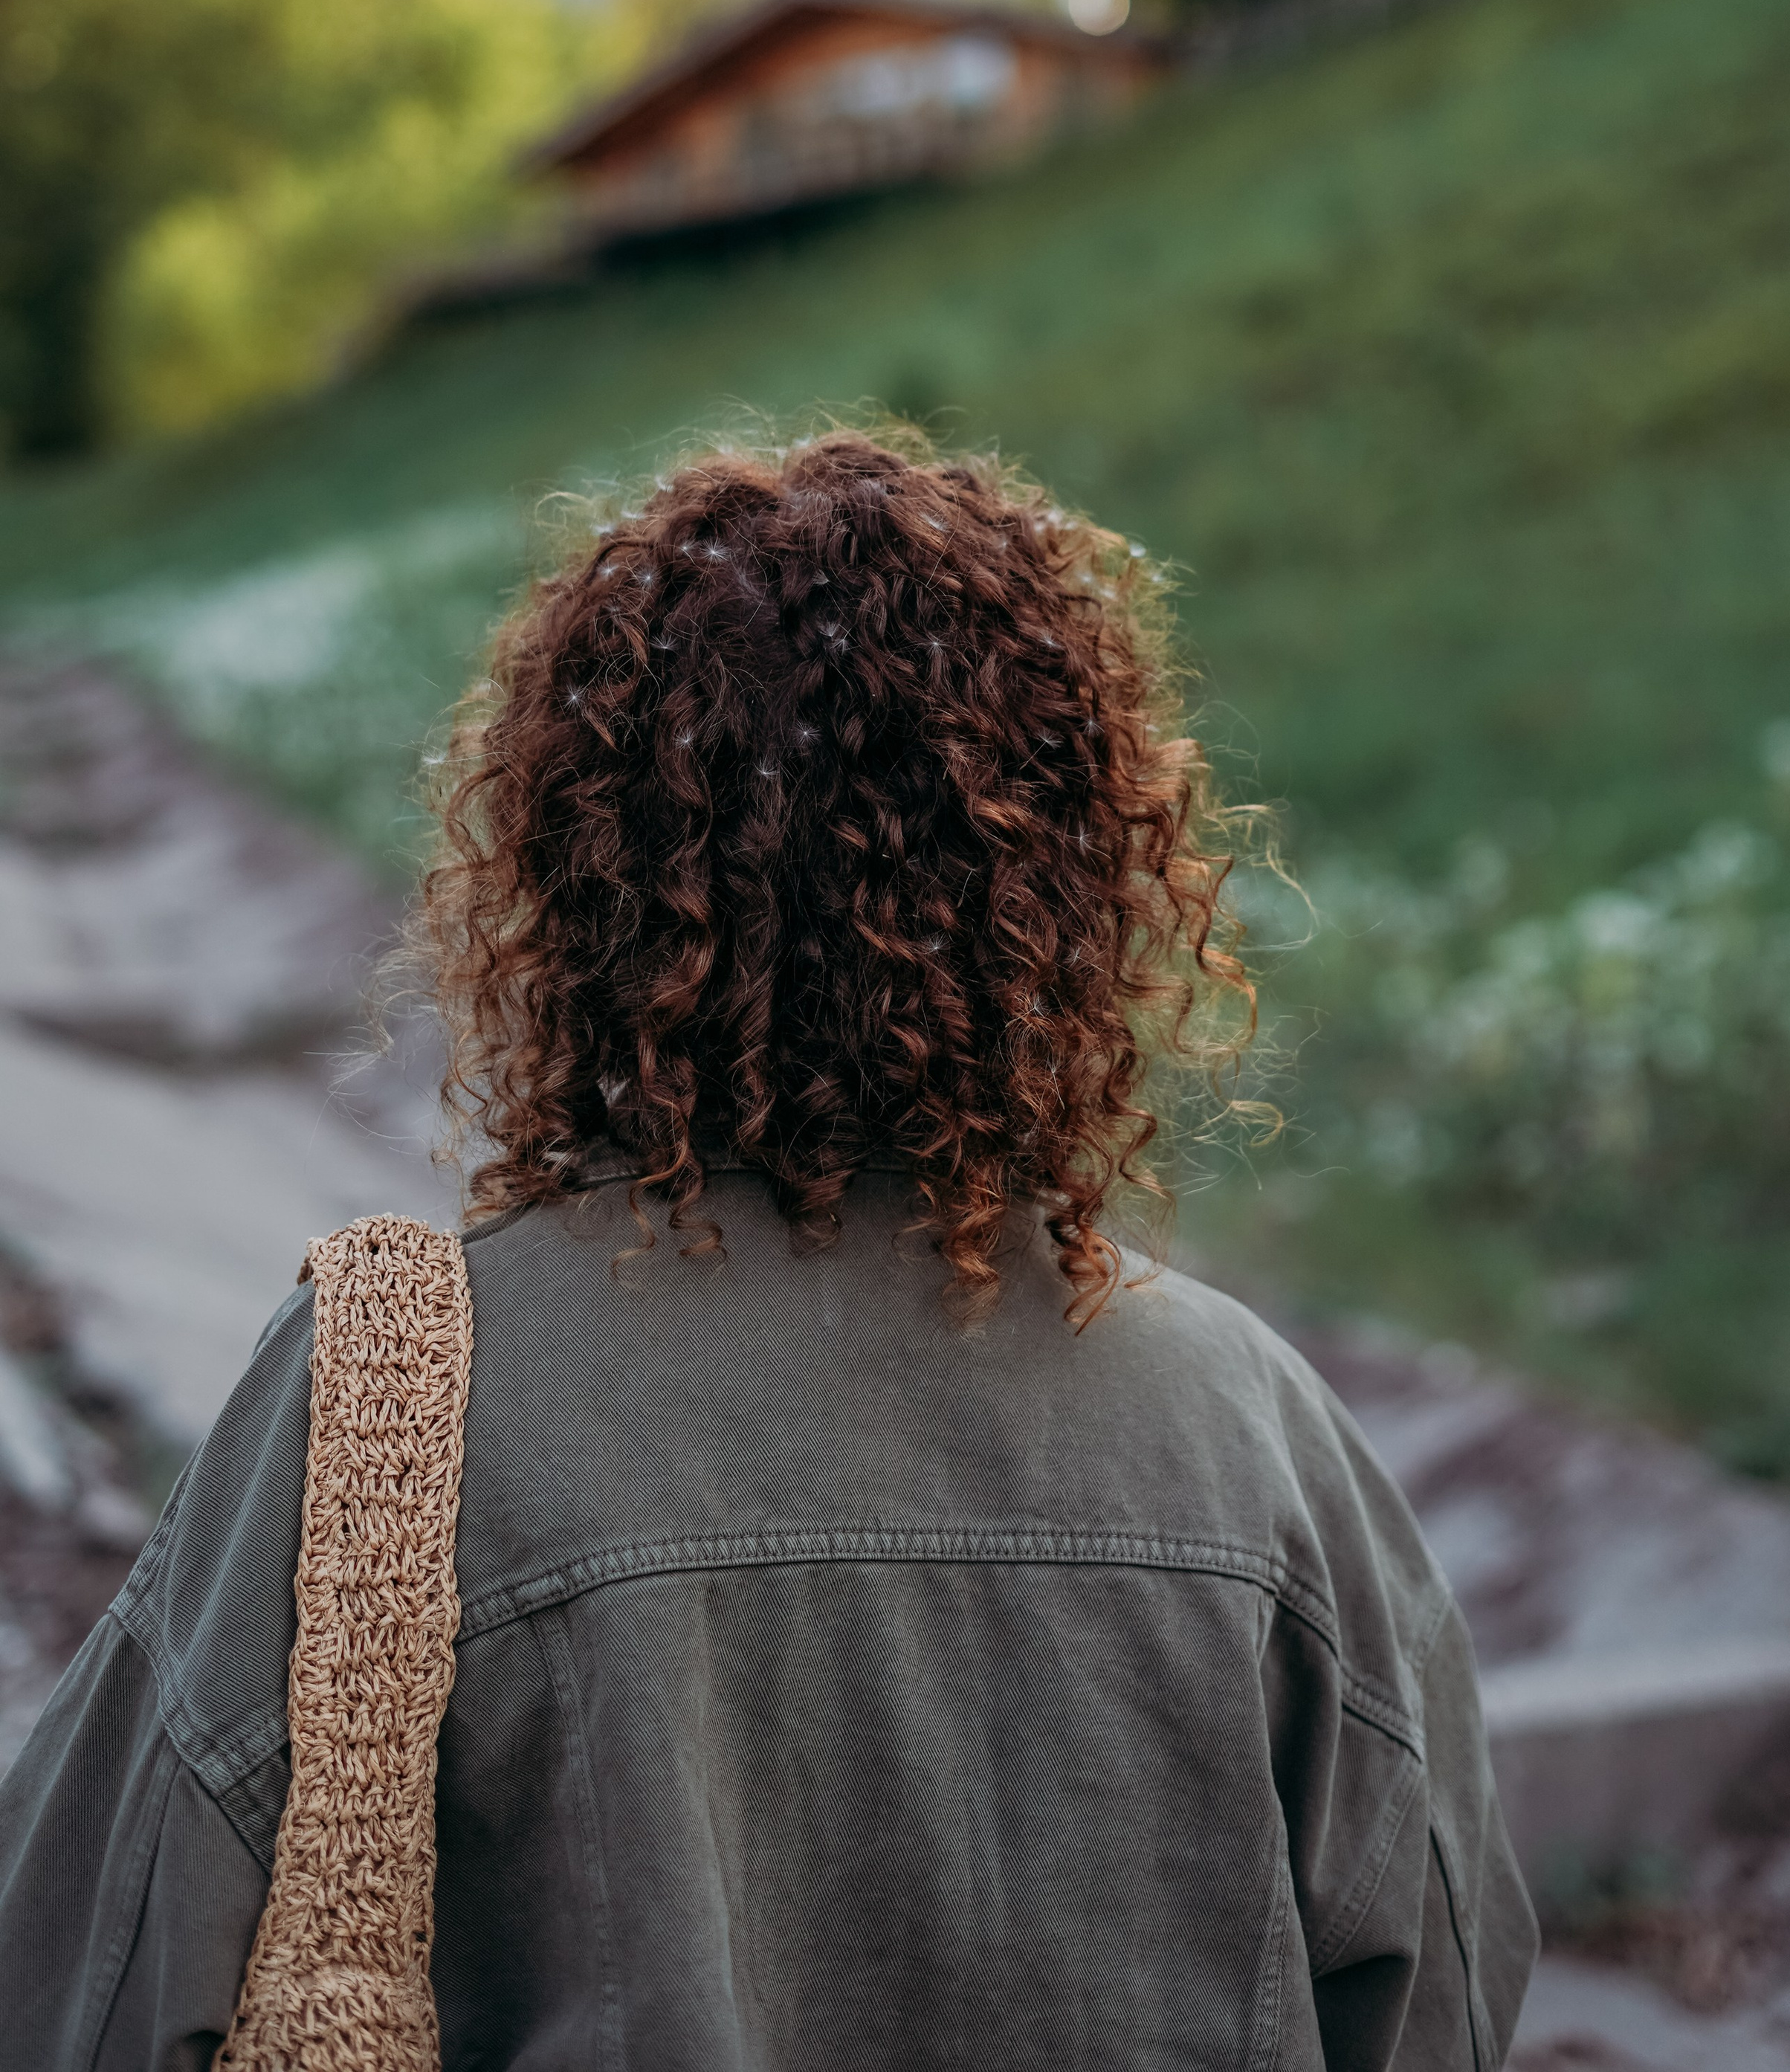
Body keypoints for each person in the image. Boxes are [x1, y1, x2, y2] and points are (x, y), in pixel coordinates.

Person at [0, 430, 1537, 2068]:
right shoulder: (1261, 1445)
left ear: (577, 877)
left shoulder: (394, 1417)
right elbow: (1437, 2002)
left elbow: (81, 1982)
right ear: (1080, 894)